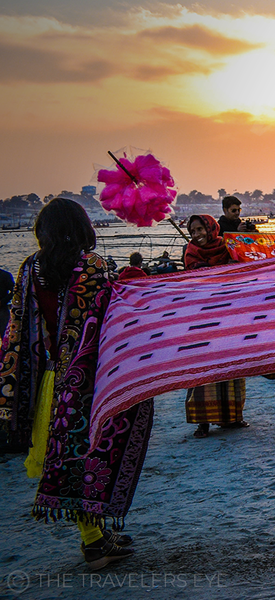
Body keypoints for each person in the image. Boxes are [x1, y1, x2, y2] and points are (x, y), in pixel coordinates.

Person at [0, 199, 153, 569]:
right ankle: (96, 544)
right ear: (83, 227)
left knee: (69, 459)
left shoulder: (30, 268)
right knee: (93, 456)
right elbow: (115, 318)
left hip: (50, 378)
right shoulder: (94, 266)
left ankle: (97, 535)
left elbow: (18, 325)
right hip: (93, 378)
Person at [182, 214, 248, 439]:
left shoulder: (227, 247)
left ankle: (232, 417)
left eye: (200, 230)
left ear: (211, 229)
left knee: (231, 366)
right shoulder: (191, 254)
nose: (197, 235)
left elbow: (245, 265)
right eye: (193, 232)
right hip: (203, 319)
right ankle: (202, 423)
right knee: (203, 370)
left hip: (229, 316)